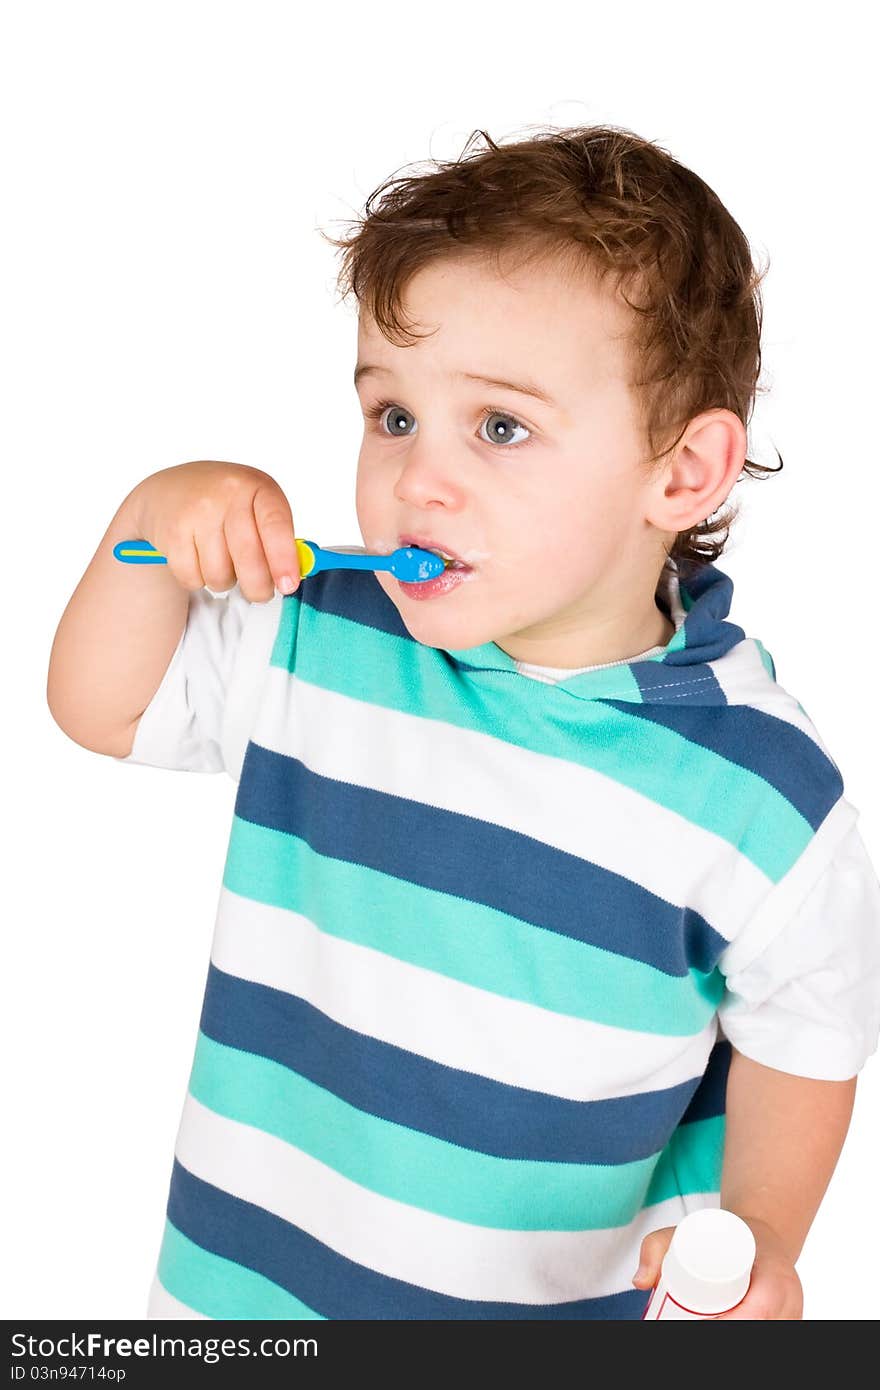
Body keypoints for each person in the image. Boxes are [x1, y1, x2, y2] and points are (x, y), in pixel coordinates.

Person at [47, 124, 880, 1320]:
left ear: (685, 474)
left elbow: (805, 1039)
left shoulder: (754, 789)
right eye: (392, 416)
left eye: (499, 427)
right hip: (239, 1296)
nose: (417, 479)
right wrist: (147, 519)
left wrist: (761, 1233)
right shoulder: (325, 633)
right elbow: (102, 706)